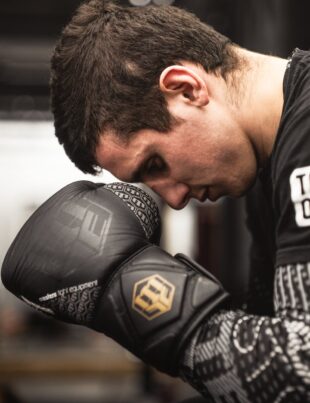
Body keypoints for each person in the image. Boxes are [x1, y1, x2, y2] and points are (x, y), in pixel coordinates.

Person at [47, 0, 310, 401]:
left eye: (154, 163)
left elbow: (302, 369)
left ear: (186, 89)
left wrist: (162, 314)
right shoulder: (268, 172)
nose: (174, 199)